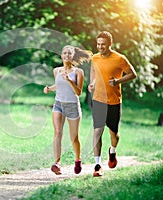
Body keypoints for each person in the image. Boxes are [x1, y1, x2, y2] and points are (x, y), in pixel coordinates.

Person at [88, 31, 137, 177]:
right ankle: (97, 165)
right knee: (97, 131)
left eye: (103, 44)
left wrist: (117, 81)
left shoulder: (120, 59)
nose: (100, 47)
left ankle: (112, 151)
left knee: (114, 133)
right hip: (98, 100)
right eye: (98, 44)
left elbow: (133, 74)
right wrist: (92, 83)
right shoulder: (95, 58)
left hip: (114, 101)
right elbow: (93, 71)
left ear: (110, 44)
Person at [43, 45, 92, 175]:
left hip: (72, 107)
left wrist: (70, 80)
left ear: (73, 56)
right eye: (64, 53)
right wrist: (49, 89)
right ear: (61, 55)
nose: (67, 55)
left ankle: (77, 160)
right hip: (58, 104)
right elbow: (58, 86)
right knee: (57, 132)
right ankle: (57, 163)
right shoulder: (56, 71)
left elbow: (79, 92)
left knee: (74, 138)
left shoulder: (78, 72)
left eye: (69, 53)